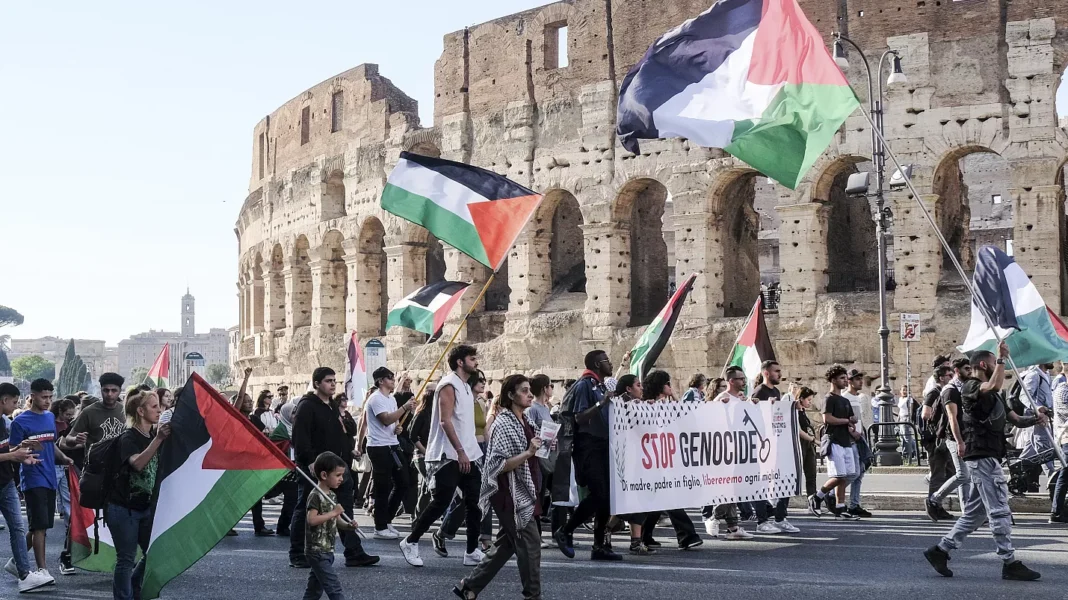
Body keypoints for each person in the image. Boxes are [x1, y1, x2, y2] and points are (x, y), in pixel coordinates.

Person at [923, 342, 1045, 581]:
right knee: (999, 510)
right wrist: (1001, 358)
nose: (999, 367)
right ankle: (1009, 562)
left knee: (976, 514)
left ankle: (940, 550)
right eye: (993, 363)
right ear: (983, 364)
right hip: (981, 456)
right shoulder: (971, 386)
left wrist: (1036, 419)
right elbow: (994, 384)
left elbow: (1016, 419)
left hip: (990, 455)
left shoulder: (995, 394)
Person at [453, 374, 543, 600]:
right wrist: (528, 453)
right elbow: (498, 465)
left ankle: (469, 586)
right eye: (524, 390)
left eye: (530, 390)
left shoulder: (526, 420)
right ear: (511, 395)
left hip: (525, 488)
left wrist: (544, 445)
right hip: (510, 493)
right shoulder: (503, 423)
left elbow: (532, 453)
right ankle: (533, 596)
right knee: (530, 543)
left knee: (507, 543)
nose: (530, 394)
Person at [290, 367, 378, 570]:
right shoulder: (307, 406)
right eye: (328, 381)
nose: (332, 384)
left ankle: (354, 552)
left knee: (344, 510)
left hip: (338, 467)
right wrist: (311, 461)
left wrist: (349, 453)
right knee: (305, 508)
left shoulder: (331, 406)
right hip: (315, 469)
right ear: (317, 383)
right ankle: (296, 553)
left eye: (334, 381)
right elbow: (300, 439)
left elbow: (338, 435)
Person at [402, 347, 483, 567]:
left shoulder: (466, 387)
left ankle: (472, 550)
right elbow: (445, 421)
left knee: (475, 502)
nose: (476, 362)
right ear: (459, 362)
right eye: (472, 358)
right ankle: (410, 541)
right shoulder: (449, 385)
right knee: (441, 502)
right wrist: (460, 451)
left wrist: (470, 452)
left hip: (469, 454)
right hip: (448, 455)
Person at [552, 350, 618, 560]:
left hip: (602, 444)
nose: (611, 364)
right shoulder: (584, 385)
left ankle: (599, 545)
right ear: (598, 364)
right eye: (607, 361)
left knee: (607, 498)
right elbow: (580, 417)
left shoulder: (599, 386)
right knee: (599, 494)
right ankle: (566, 530)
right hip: (587, 446)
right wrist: (602, 403)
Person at [10, 379, 74, 584]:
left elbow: (50, 444)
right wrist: (23, 448)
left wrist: (63, 457)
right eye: (43, 397)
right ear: (33, 396)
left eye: (50, 397)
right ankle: (42, 569)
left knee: (42, 525)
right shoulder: (20, 422)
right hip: (32, 477)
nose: (47, 401)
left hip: (50, 476)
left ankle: (15, 561)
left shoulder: (49, 418)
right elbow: (11, 451)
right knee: (39, 528)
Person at [109, 389, 170, 600]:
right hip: (122, 507)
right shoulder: (128, 437)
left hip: (145, 506)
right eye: (154, 407)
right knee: (125, 559)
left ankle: (135, 585)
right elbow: (137, 463)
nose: (159, 410)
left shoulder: (152, 435)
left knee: (155, 551)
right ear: (141, 411)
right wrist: (159, 440)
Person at [639, 370, 702, 550]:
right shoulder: (647, 405)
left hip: (665, 458)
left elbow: (686, 420)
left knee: (658, 500)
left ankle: (645, 535)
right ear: (660, 386)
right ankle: (687, 535)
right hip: (651, 459)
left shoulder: (667, 404)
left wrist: (674, 397)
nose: (670, 387)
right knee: (667, 497)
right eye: (667, 384)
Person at [0, 383, 52, 593]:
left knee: (18, 528)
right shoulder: (16, 421)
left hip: (6, 482)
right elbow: (7, 453)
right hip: (19, 482)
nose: (16, 405)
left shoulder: (4, 422)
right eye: (14, 401)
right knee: (27, 527)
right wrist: (14, 455)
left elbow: (6, 448)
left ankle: (24, 574)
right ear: (4, 400)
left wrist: (22, 452)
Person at [437, 369, 493, 550]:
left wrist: (490, 449)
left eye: (485, 380)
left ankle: (484, 539)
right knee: (466, 499)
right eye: (480, 380)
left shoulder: (482, 403)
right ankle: (444, 531)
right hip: (464, 450)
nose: (483, 383)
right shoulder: (462, 401)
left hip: (481, 449)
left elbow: (484, 428)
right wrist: (461, 451)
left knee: (483, 495)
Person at [356, 367, 412, 544]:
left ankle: (386, 519)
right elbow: (385, 419)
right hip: (379, 448)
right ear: (381, 381)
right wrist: (405, 407)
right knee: (382, 487)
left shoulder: (391, 399)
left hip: (392, 445)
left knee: (403, 482)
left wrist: (398, 427)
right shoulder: (375, 399)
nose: (393, 379)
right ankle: (380, 526)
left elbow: (393, 422)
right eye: (390, 377)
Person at [704, 366, 755, 539]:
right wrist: (720, 407)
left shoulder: (739, 400)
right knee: (730, 488)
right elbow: (711, 421)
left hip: (739, 449)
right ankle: (714, 517)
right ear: (731, 381)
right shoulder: (722, 399)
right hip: (725, 451)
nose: (744, 381)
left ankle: (733, 528)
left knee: (735, 488)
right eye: (740, 379)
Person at [749, 360, 798, 534]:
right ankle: (762, 521)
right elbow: (755, 417)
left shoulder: (776, 391)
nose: (780, 374)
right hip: (763, 445)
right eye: (776, 371)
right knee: (761, 484)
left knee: (785, 478)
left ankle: (780, 517)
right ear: (766, 373)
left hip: (776, 442)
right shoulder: (760, 391)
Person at [807, 365, 861, 520]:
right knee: (839, 475)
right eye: (842, 378)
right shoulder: (829, 399)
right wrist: (846, 421)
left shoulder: (844, 400)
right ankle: (817, 497)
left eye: (845, 378)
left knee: (847, 475)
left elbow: (850, 420)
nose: (845, 381)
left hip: (846, 441)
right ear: (833, 380)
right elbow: (827, 419)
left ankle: (840, 507)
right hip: (834, 441)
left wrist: (852, 425)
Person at [303, 451, 356, 600]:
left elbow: (337, 521)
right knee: (334, 588)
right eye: (338, 475)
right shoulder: (315, 495)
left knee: (314, 590)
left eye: (342, 475)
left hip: (327, 549)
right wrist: (333, 513)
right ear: (324, 475)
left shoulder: (331, 495)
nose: (341, 479)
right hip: (316, 550)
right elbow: (311, 520)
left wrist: (348, 526)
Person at [926, 365, 967, 521]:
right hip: (940, 439)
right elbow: (925, 414)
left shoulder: (951, 391)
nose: (952, 376)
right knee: (940, 474)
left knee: (955, 473)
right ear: (941, 377)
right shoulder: (935, 392)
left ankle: (941, 505)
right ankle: (934, 502)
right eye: (949, 375)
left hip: (945, 437)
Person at [234, 385, 274, 537]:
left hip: (253, 461)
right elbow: (238, 399)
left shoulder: (254, 419)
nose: (250, 404)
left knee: (256, 495)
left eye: (251, 401)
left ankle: (259, 525)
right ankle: (227, 526)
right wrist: (245, 380)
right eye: (246, 401)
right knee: (236, 497)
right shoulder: (236, 418)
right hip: (238, 462)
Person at [840, 369, 872, 518]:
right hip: (850, 439)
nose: (860, 381)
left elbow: (857, 420)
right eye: (857, 379)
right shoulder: (844, 398)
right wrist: (852, 433)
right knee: (854, 473)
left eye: (861, 378)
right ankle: (830, 493)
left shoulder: (858, 398)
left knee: (860, 474)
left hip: (859, 438)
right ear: (850, 382)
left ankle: (854, 504)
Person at [407, 388, 435, 519]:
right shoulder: (422, 414)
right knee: (431, 484)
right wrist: (425, 451)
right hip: (421, 455)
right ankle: (419, 516)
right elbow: (412, 435)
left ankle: (418, 515)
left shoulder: (435, 414)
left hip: (432, 455)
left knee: (426, 488)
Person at [49, 397, 77, 523]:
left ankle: (70, 526)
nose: (69, 417)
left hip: (65, 464)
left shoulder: (69, 424)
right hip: (54, 463)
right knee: (51, 494)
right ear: (60, 411)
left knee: (67, 497)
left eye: (72, 415)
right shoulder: (52, 423)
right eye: (67, 414)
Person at [795, 386, 819, 501]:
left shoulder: (803, 412)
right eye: (808, 400)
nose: (810, 402)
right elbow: (799, 431)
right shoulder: (795, 413)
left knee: (811, 474)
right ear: (801, 399)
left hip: (809, 445)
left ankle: (812, 500)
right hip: (801, 444)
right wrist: (813, 439)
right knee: (796, 474)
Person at [895, 385, 918, 463]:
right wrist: (897, 420)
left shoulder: (909, 399)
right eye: (903, 390)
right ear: (900, 391)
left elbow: (910, 410)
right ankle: (914, 452)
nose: (904, 392)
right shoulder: (900, 399)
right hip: (901, 418)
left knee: (906, 437)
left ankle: (908, 455)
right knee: (903, 437)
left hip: (906, 418)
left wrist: (909, 420)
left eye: (906, 390)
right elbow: (900, 410)